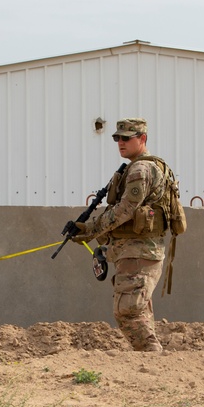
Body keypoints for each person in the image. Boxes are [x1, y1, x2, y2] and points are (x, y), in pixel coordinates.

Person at [70, 117, 174, 352]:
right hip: (133, 250)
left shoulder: (141, 169)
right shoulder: (137, 167)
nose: (120, 142)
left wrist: (92, 230)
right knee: (137, 310)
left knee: (127, 311)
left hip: (139, 251)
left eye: (127, 138)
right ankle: (150, 360)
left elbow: (126, 210)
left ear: (142, 138)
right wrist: (89, 230)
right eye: (117, 138)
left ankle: (151, 357)